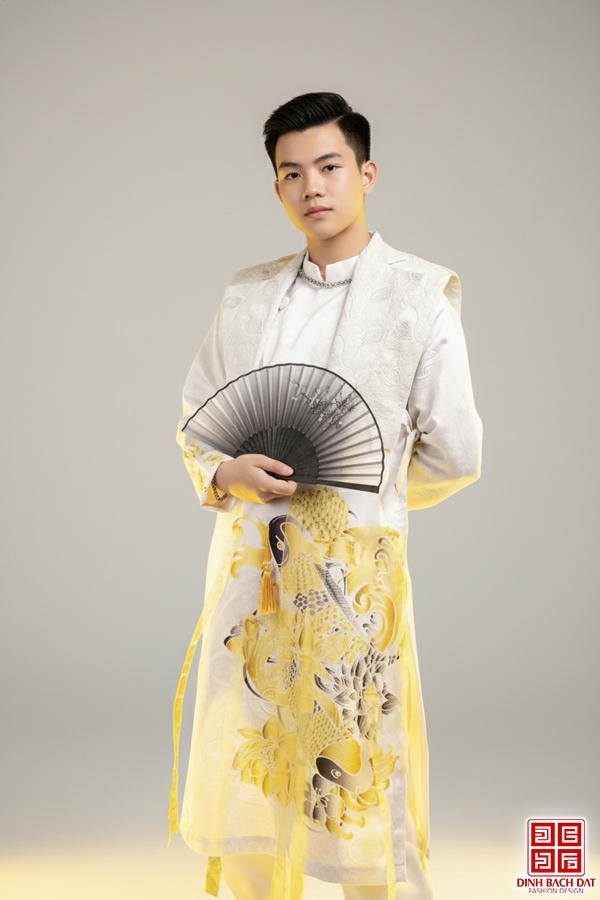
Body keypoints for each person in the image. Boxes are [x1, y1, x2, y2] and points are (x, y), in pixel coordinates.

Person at [169, 92, 482, 900]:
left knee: (359, 764)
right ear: (277, 187)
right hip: (250, 580)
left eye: (330, 166)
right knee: (249, 756)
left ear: (367, 173)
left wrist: (363, 503)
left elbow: (456, 451)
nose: (313, 186)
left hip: (351, 587)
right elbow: (199, 420)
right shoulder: (247, 297)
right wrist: (227, 474)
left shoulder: (418, 297)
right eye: (292, 173)